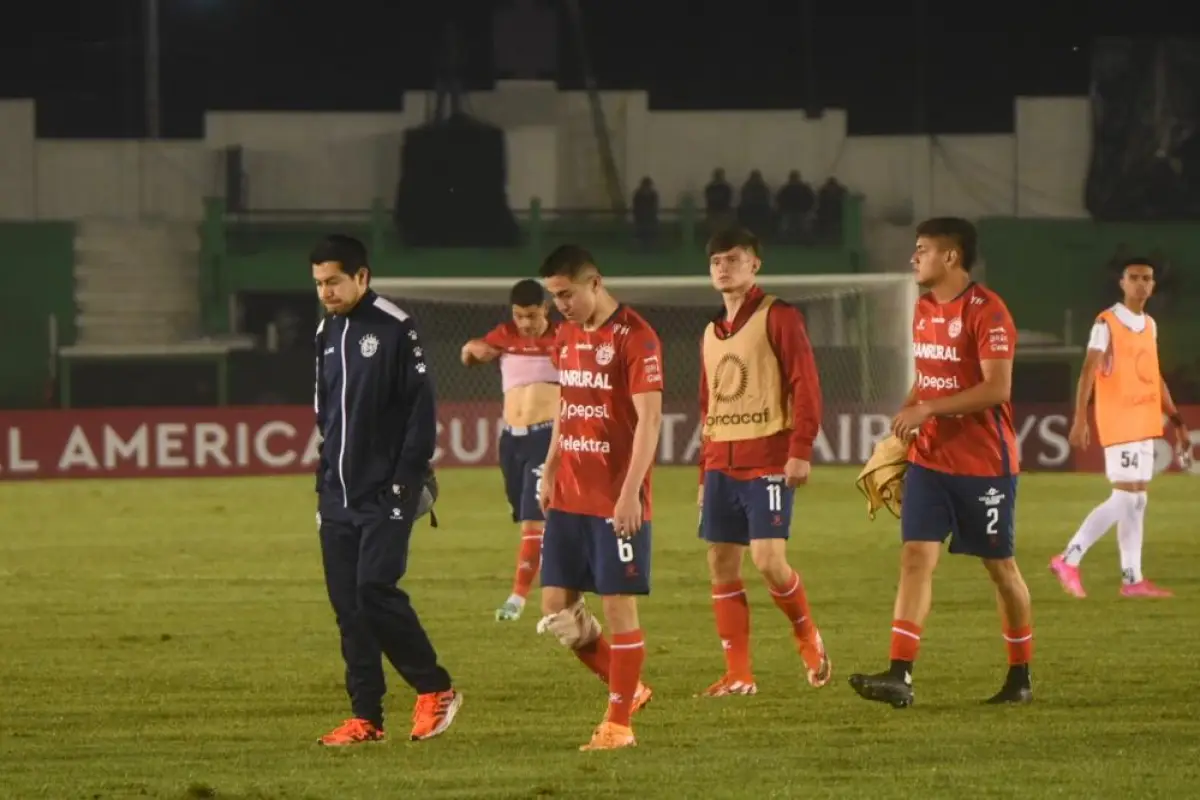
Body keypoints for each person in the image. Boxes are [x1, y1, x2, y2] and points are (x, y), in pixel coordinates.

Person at [848, 217, 1033, 708]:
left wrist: (927, 408)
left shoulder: (988, 312)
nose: (914, 258)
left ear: (951, 257)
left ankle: (1020, 676)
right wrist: (907, 413)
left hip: (984, 465)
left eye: (922, 249)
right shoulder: (925, 307)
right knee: (915, 558)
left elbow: (998, 389)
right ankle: (899, 674)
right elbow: (930, 377)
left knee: (1001, 570)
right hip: (931, 458)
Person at [311, 234, 461, 745]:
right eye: (319, 283)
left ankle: (435, 688)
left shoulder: (397, 328)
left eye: (334, 281)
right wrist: (323, 485)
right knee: (348, 609)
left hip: (386, 493)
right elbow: (325, 413)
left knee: (374, 589)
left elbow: (421, 415)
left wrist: (404, 482)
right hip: (338, 497)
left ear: (362, 277)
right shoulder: (325, 332)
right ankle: (366, 718)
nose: (326, 292)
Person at [534, 244, 662, 751]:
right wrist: (549, 465)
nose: (559, 306)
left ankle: (619, 726)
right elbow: (568, 400)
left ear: (594, 282)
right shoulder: (565, 335)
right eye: (553, 297)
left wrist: (631, 492)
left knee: (617, 610)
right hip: (569, 492)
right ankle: (629, 685)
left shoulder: (637, 338)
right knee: (556, 609)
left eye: (566, 294)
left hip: (614, 498)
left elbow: (650, 420)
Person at [696, 226, 831, 697]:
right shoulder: (711, 333)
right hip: (720, 462)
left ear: (755, 265)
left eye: (733, 259)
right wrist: (702, 472)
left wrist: (800, 450)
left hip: (769, 457)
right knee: (721, 565)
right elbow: (707, 406)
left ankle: (806, 635)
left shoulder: (780, 316)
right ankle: (738, 674)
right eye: (716, 261)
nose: (723, 268)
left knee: (769, 560)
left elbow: (806, 385)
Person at [1050, 259, 1190, 598]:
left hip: (1144, 420)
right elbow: (1088, 371)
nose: (1141, 284)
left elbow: (1153, 376)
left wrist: (1177, 421)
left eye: (1147, 279)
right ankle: (1069, 558)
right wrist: (1080, 417)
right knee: (1127, 498)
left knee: (1137, 500)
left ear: (1153, 286)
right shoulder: (1107, 322)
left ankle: (1133, 580)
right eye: (1134, 278)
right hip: (1119, 418)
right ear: (1122, 284)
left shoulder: (1150, 325)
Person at [460, 279, 560, 620]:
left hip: (546, 438)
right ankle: (563, 564)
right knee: (529, 517)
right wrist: (472, 352)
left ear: (546, 309)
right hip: (511, 440)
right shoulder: (505, 335)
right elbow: (471, 353)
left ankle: (517, 599)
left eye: (532, 315)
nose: (525, 323)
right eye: (519, 316)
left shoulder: (562, 340)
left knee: (533, 523)